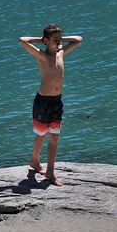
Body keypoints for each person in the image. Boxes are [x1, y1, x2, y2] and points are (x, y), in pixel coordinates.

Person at [20, 24, 83, 186]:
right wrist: (42, 41)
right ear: (46, 41)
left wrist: (59, 40)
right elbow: (23, 40)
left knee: (54, 135)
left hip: (56, 101)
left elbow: (78, 39)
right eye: (55, 40)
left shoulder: (61, 53)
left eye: (60, 39)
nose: (59, 42)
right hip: (43, 101)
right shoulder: (41, 55)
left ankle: (50, 171)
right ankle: (34, 161)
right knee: (42, 134)